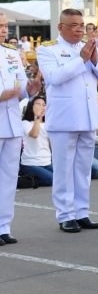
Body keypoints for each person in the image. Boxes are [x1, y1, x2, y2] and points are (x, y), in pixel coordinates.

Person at [37, 9, 98, 233]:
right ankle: (65, 215)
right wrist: (82, 60)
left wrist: (95, 59)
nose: (80, 29)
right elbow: (54, 77)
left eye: (82, 25)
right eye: (74, 25)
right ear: (61, 27)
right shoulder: (47, 49)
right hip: (64, 119)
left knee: (82, 169)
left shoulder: (87, 48)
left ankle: (82, 212)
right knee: (63, 170)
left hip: (88, 118)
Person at [0, 13, 41, 246]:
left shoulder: (11, 53)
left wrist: (31, 89)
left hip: (12, 124)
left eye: (6, 26)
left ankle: (4, 227)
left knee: (8, 180)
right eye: (0, 26)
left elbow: (20, 88)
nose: (4, 30)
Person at [20, 96, 98, 186]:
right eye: (38, 105)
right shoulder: (25, 123)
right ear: (31, 108)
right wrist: (37, 116)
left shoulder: (49, 123)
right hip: (30, 163)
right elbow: (34, 134)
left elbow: (53, 145)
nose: (41, 108)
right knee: (54, 180)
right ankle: (27, 180)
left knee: (68, 178)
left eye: (44, 105)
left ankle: (34, 177)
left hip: (46, 162)